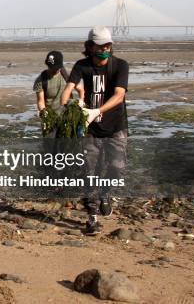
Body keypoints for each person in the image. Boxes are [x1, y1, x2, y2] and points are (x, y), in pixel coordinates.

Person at [60, 26, 129, 235]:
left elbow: (119, 96)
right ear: (90, 47)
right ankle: (92, 217)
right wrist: (75, 105)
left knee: (117, 167)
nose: (105, 49)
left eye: (108, 45)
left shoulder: (120, 66)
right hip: (90, 129)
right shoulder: (82, 66)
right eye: (100, 46)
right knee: (89, 171)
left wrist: (97, 110)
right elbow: (68, 91)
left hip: (116, 126)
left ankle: (106, 194)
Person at [33, 50, 84, 137]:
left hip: (68, 117)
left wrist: (81, 101)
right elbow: (40, 101)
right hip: (51, 118)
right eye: (50, 67)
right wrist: (44, 113)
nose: (53, 70)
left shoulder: (67, 76)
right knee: (50, 145)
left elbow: (80, 89)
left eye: (55, 68)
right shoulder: (41, 80)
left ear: (60, 66)